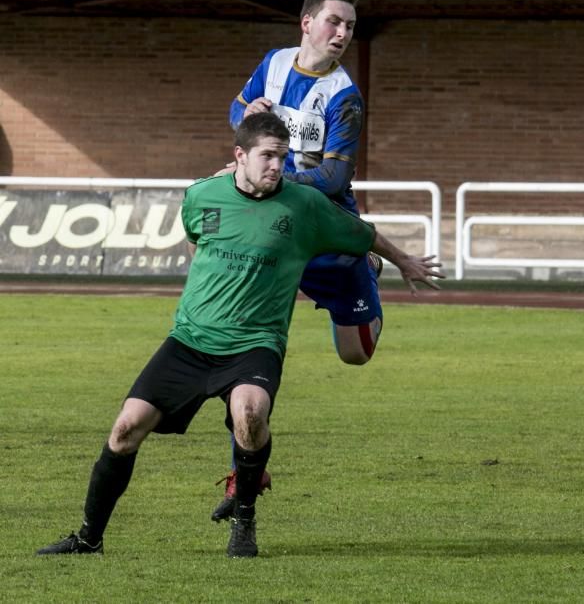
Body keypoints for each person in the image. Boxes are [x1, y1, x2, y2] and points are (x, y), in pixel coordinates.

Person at [37, 112, 443, 558]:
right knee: (125, 429)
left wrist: (404, 261)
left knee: (250, 415)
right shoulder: (200, 195)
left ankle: (244, 521)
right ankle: (88, 539)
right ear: (239, 156)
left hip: (255, 345)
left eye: (283, 158)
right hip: (190, 341)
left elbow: (364, 234)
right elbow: (196, 240)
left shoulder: (304, 206)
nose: (276, 166)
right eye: (267, 156)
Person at [211, 0, 384, 523]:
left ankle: (368, 269)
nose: (342, 34)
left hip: (326, 227)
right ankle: (247, 466)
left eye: (350, 27)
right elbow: (238, 113)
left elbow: (333, 178)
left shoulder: (344, 95)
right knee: (242, 348)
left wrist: (270, 176)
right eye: (334, 21)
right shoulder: (275, 62)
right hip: (273, 225)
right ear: (306, 23)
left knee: (355, 355)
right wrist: (248, 109)